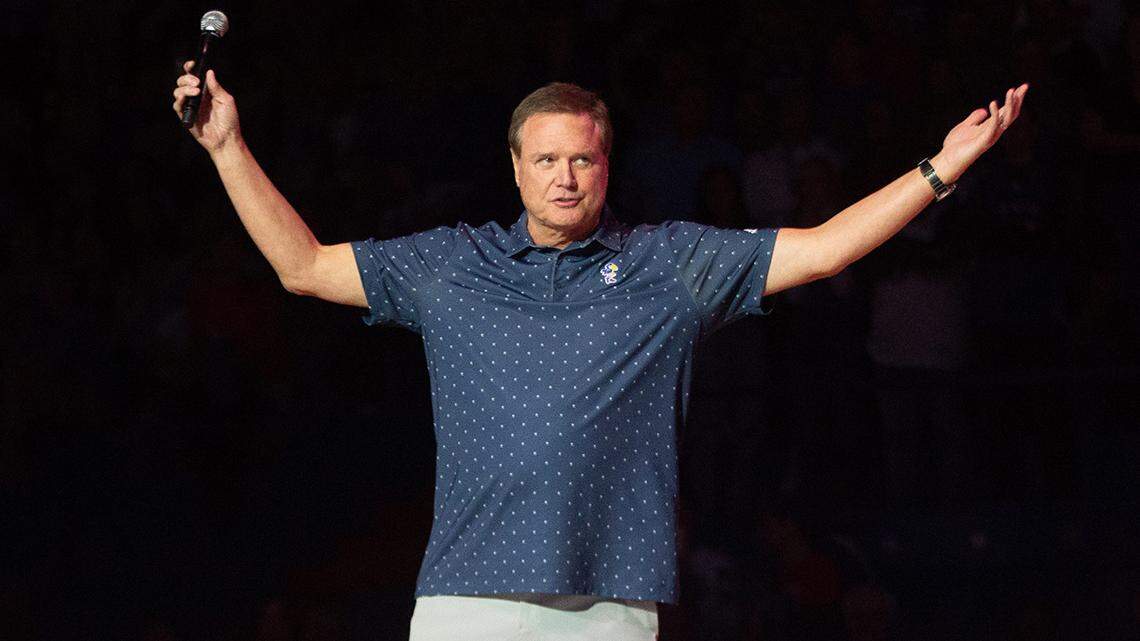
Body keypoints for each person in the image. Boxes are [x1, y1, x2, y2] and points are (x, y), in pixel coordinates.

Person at [171, 61, 1027, 640]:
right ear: (515, 167)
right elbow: (304, 267)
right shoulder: (451, 264)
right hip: (468, 594)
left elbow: (828, 246)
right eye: (545, 159)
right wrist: (226, 147)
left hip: (609, 600)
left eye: (581, 158)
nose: (564, 177)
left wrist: (941, 168)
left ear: (607, 164)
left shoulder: (671, 264)